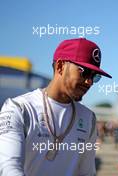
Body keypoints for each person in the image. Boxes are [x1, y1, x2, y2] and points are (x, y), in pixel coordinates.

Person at [0, 38, 112, 176]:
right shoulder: (18, 108)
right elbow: (9, 168)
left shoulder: (88, 118)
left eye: (95, 76)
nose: (89, 82)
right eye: (84, 72)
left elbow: (86, 173)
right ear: (60, 66)